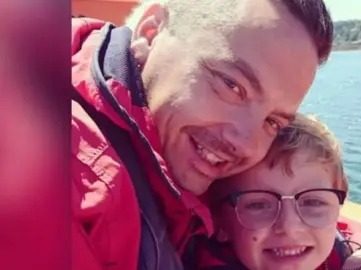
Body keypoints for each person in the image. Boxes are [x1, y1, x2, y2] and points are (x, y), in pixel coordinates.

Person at [71, 0, 333, 269]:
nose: (245, 144)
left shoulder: (177, 149)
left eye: (273, 122)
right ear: (150, 33)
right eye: (232, 85)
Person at [199, 114, 361, 270]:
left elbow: (346, 229)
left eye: (312, 202)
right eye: (258, 205)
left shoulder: (337, 249)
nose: (290, 227)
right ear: (219, 222)